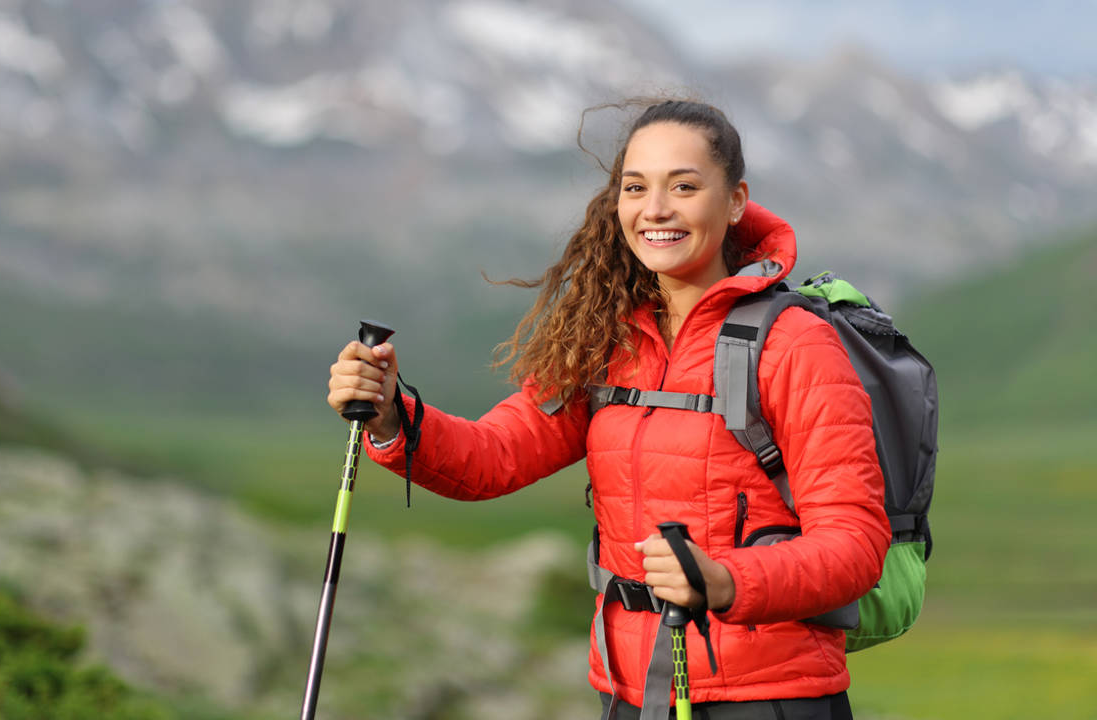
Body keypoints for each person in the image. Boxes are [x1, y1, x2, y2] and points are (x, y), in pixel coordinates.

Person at [327, 98, 890, 719]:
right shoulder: (607, 341)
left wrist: (727, 582)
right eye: (636, 187)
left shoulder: (796, 344)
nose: (655, 209)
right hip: (630, 692)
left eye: (684, 186)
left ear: (735, 201)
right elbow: (493, 457)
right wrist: (391, 416)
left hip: (770, 699)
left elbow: (855, 545)